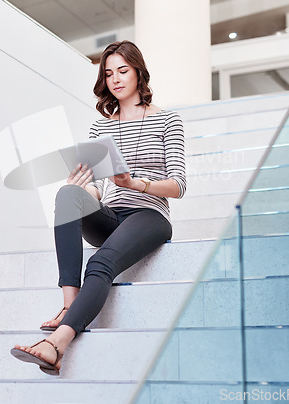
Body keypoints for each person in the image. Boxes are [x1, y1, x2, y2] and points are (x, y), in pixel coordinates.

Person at [11, 40, 186, 375]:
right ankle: (68, 304)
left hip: (149, 214)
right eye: (108, 74)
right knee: (66, 194)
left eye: (123, 70)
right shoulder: (101, 126)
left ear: (138, 73)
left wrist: (137, 184)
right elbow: (97, 185)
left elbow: (178, 185)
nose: (115, 79)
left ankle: (57, 344)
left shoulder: (167, 120)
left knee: (102, 260)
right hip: (111, 214)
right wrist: (83, 188)